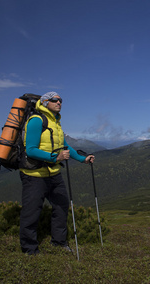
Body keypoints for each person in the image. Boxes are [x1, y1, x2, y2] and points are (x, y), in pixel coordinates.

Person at [19, 91, 95, 255]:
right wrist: (55, 157)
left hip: (53, 174)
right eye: (55, 100)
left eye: (61, 100)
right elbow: (30, 150)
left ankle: (59, 242)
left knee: (61, 206)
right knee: (31, 212)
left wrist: (83, 159)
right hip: (34, 175)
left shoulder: (56, 123)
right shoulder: (36, 120)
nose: (59, 102)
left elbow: (65, 147)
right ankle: (29, 249)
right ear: (45, 102)